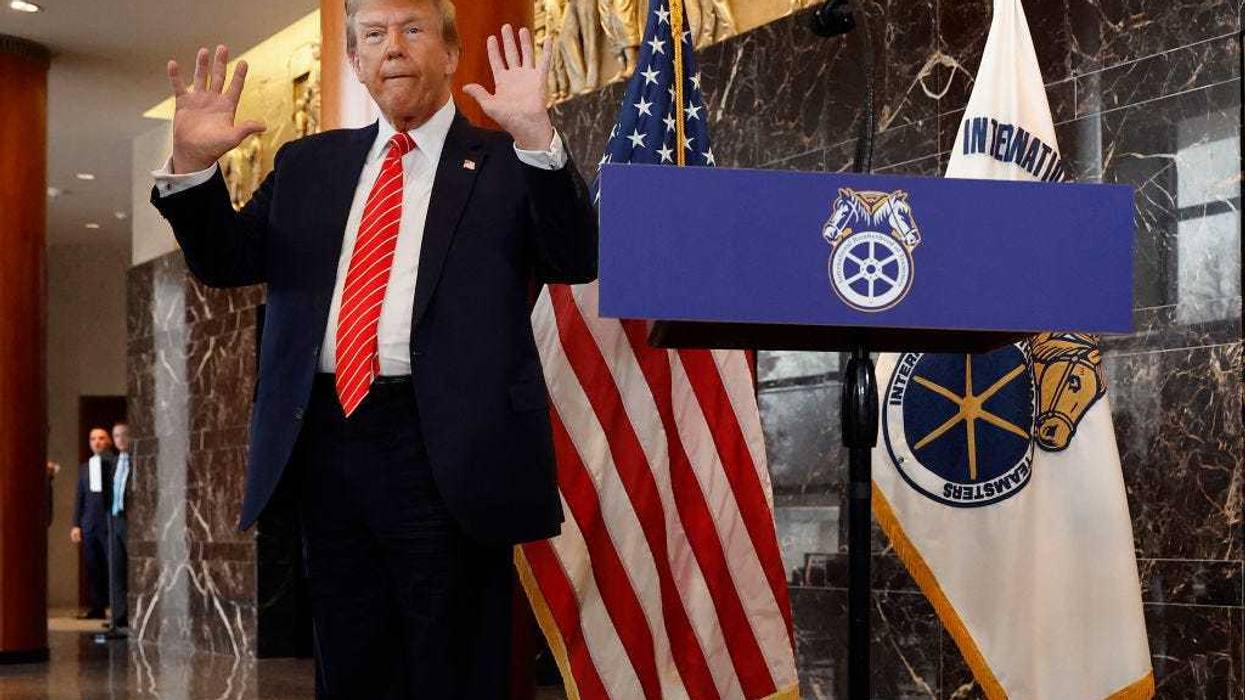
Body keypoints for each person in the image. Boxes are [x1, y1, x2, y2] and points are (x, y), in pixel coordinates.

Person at [149, 1, 597, 697]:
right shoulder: (308, 165)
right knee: (349, 661)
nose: (393, 47)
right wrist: (193, 168)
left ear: (450, 54)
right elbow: (226, 260)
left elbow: (575, 256)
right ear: (355, 62)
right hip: (326, 440)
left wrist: (537, 135)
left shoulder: (508, 162)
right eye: (374, 35)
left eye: (413, 29)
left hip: (450, 449)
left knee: (452, 667)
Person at [71, 428, 115, 621]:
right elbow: (80, 497)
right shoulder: (85, 467)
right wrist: (76, 524)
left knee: (111, 566)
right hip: (89, 524)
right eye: (93, 439)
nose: (97, 442)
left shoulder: (114, 463)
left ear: (109, 441)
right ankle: (97, 607)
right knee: (93, 567)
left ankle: (117, 608)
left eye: (101, 438)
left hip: (109, 523)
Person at [108, 422, 132, 630]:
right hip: (115, 519)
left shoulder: (138, 461)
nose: (121, 439)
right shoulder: (113, 463)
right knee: (116, 569)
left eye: (124, 434)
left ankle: (135, 615)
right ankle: (118, 616)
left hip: (131, 521)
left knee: (133, 568)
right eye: (116, 436)